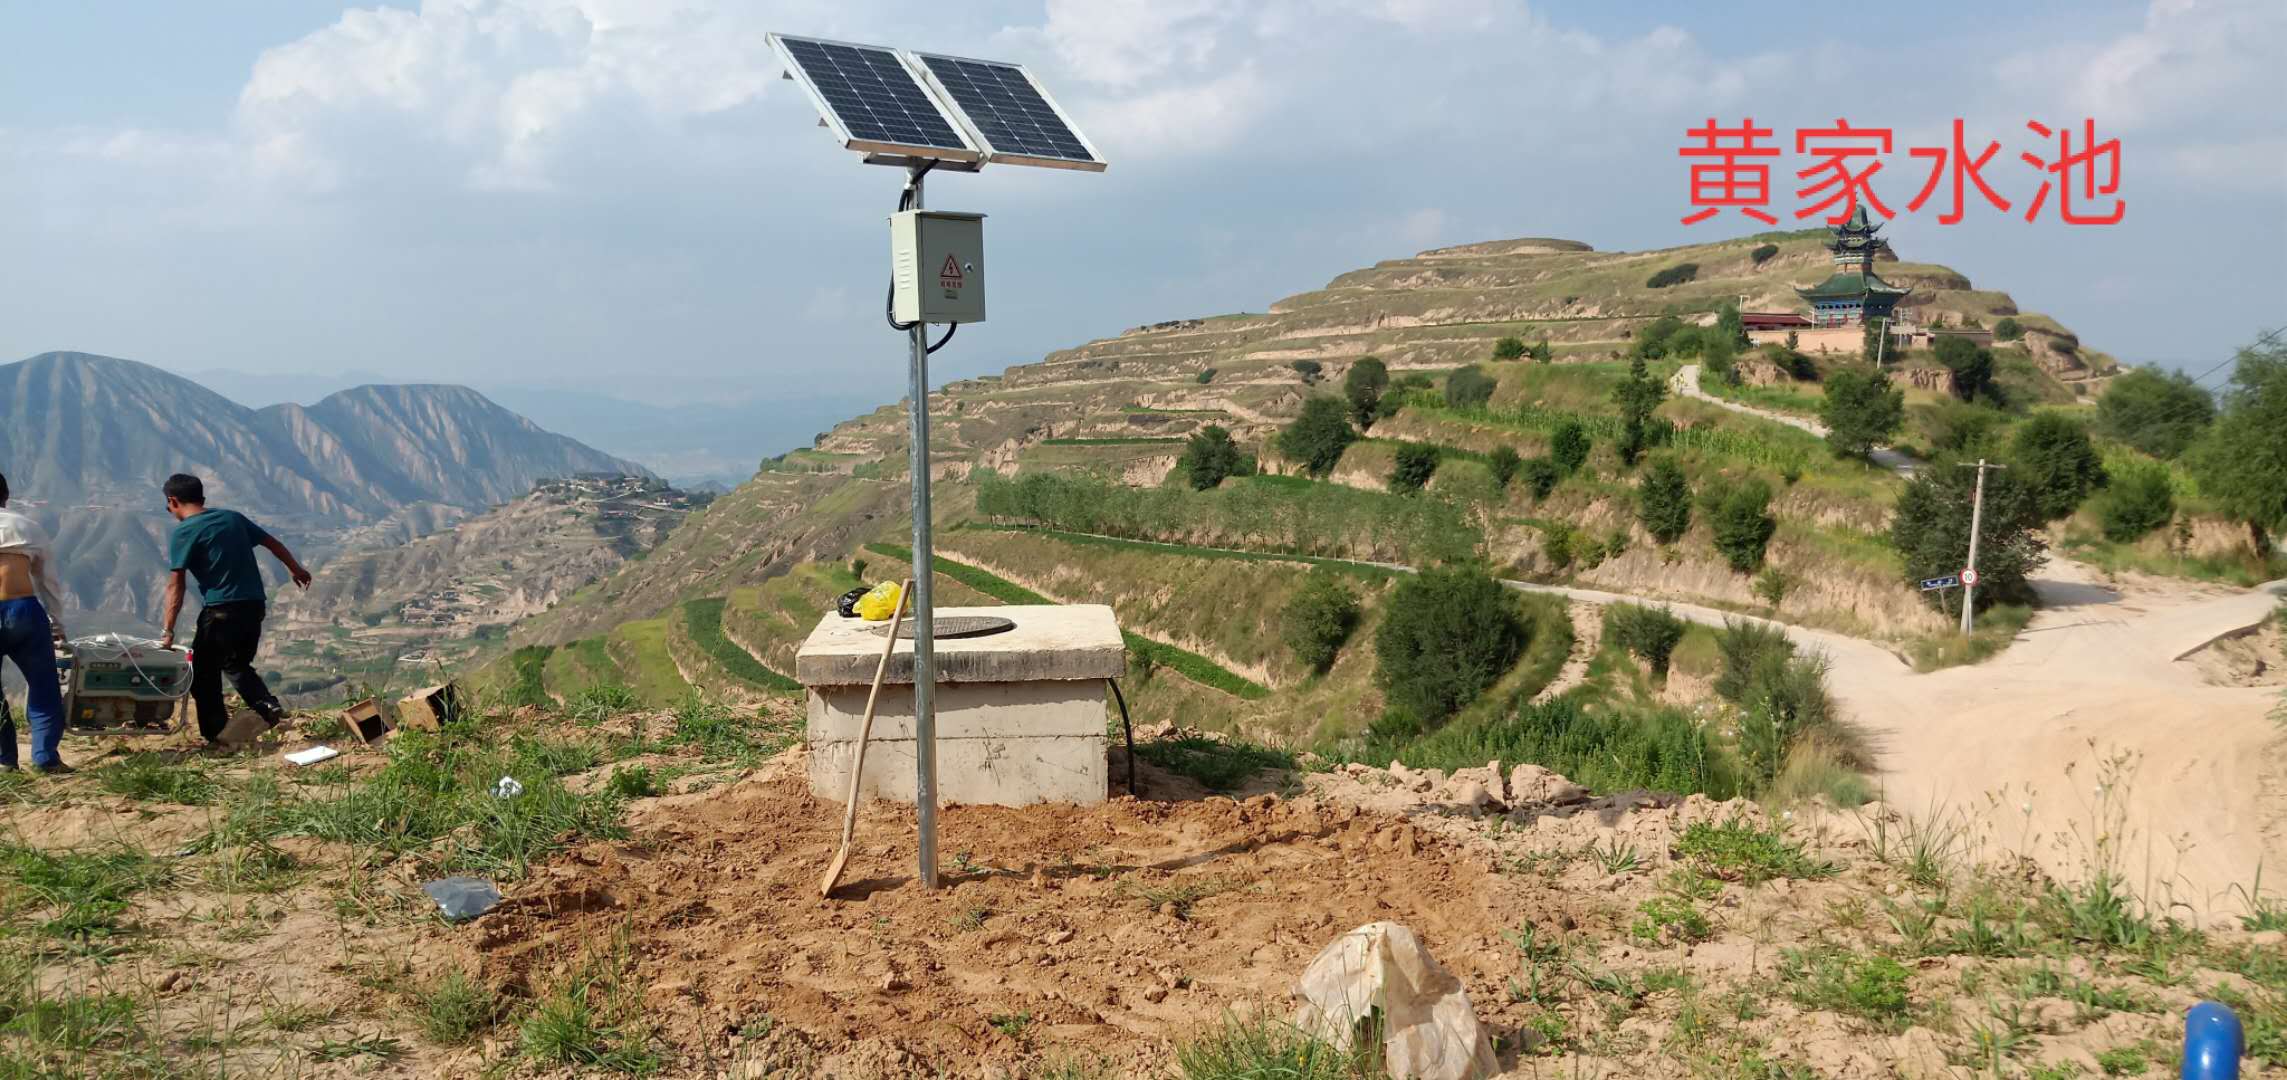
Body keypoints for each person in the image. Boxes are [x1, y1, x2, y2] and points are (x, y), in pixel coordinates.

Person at [158, 474, 310, 747]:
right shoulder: (233, 518)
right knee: (236, 664)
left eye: (168, 507)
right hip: (254, 605)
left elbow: (176, 586)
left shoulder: (185, 531)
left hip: (221, 610)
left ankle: (217, 736)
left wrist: (168, 629)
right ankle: (267, 708)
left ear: (173, 501)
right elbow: (272, 543)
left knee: (203, 674)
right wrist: (296, 569)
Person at [0, 471, 69, 773]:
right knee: (43, 685)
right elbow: (48, 582)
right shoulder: (26, 526)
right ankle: (45, 758)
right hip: (23, 610)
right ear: (6, 497)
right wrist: (57, 624)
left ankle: (4, 761)